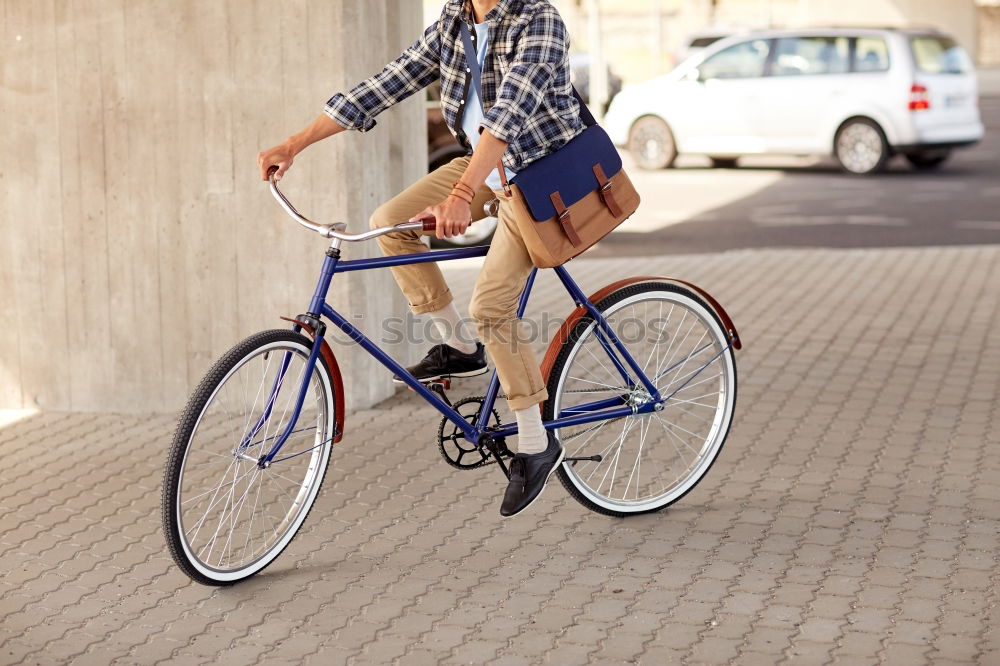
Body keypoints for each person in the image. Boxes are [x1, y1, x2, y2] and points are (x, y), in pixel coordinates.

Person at [257, 0, 586, 517]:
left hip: (543, 176)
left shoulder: (538, 20)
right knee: (390, 224)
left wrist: (461, 194)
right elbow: (382, 86)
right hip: (486, 170)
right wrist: (295, 144)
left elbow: (507, 118)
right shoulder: (453, 25)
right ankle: (461, 348)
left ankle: (535, 440)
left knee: (492, 306)